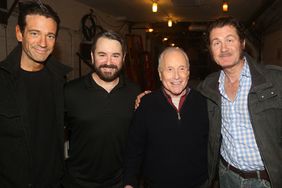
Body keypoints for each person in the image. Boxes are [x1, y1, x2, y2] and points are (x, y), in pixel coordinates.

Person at [198, 16, 282, 188]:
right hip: (227, 176)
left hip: (266, 181)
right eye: (216, 42)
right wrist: (150, 98)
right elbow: (182, 97)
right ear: (211, 50)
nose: (224, 48)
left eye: (230, 40)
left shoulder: (275, 80)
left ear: (242, 43)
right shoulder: (208, 86)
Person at [0, 1, 71, 187]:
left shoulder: (60, 80)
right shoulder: (2, 80)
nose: (43, 43)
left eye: (50, 36)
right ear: (19, 33)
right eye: (34, 33)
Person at [63, 31, 141, 188]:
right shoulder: (70, 91)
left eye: (115, 55)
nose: (109, 62)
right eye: (102, 54)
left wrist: (131, 180)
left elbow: (138, 140)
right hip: (77, 183)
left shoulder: (134, 92)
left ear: (123, 58)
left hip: (120, 182)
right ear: (92, 57)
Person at [123, 47, 209, 188]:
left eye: (181, 69)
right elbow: (134, 148)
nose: (176, 76)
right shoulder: (146, 105)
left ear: (188, 72)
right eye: (169, 69)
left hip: (199, 184)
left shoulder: (204, 103)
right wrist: (129, 182)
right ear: (160, 74)